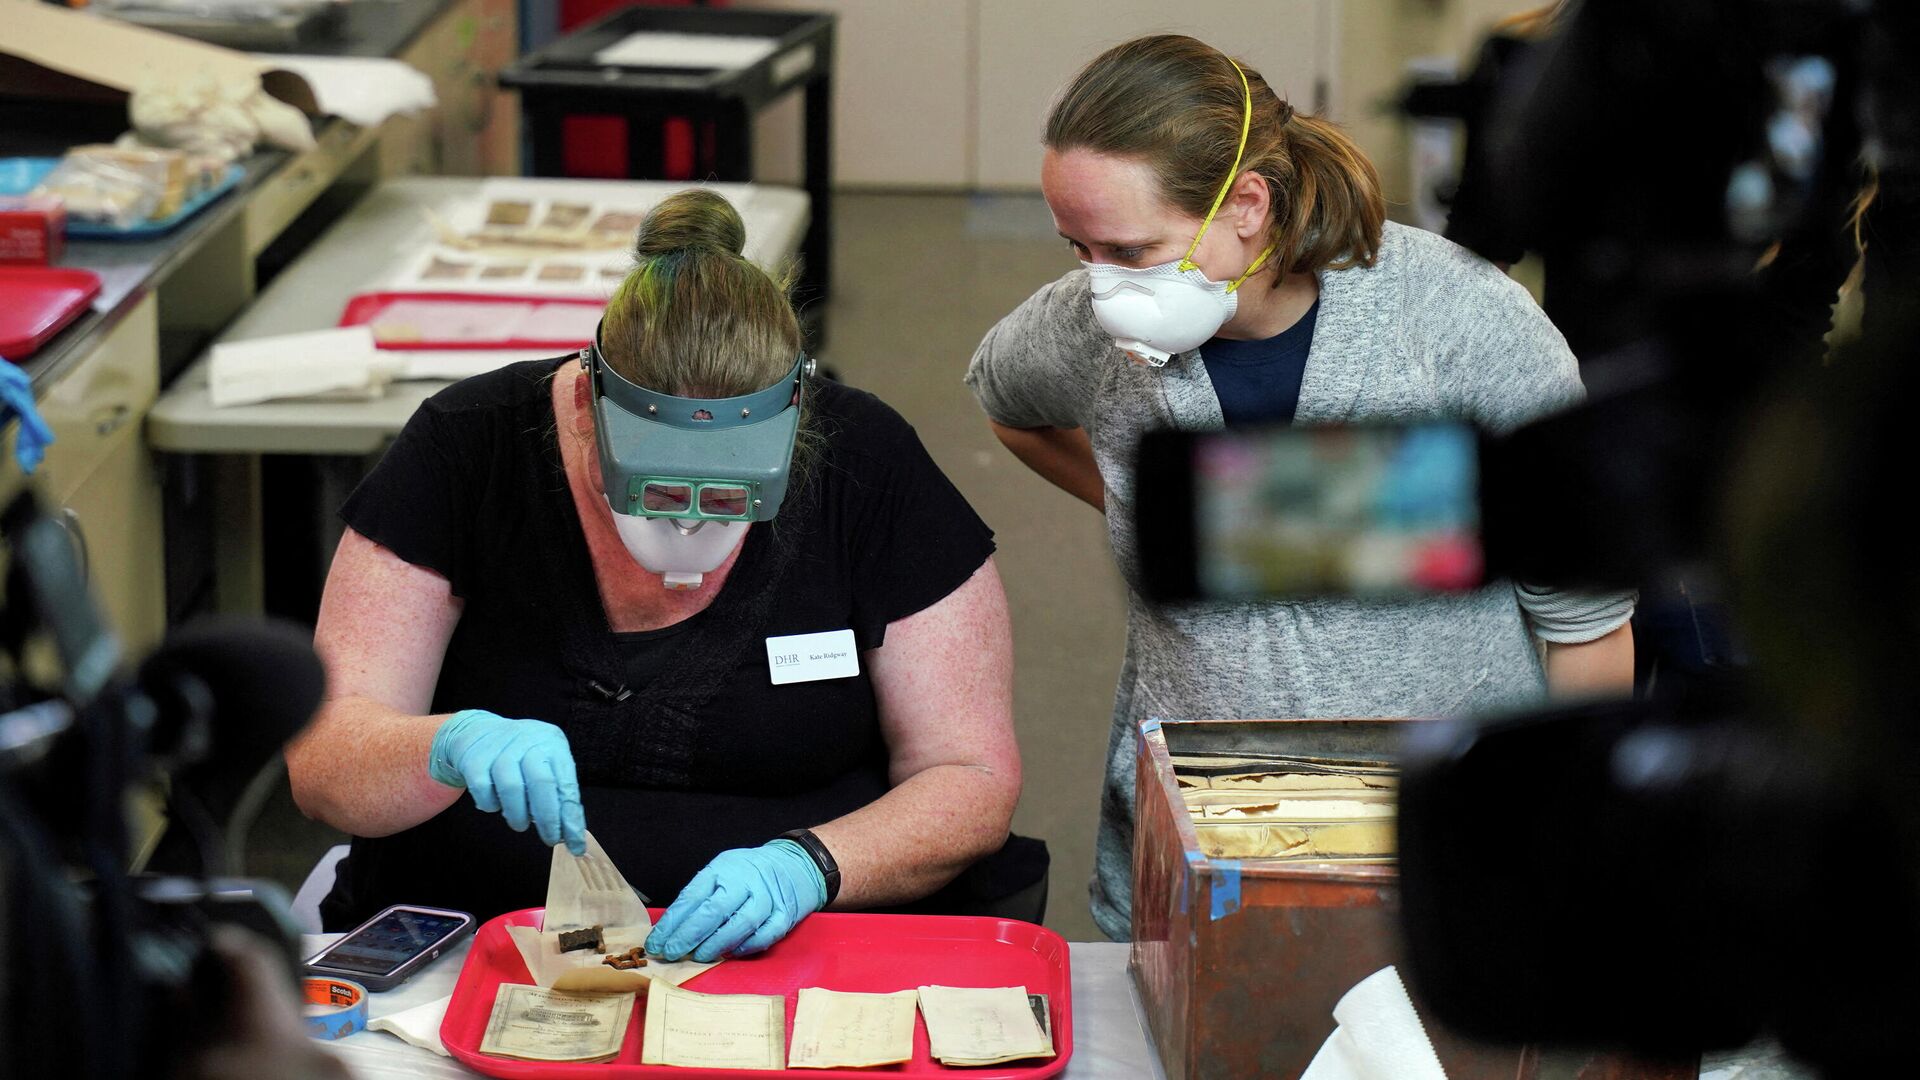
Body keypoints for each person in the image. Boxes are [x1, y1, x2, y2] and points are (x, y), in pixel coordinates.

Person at [965, 34, 1637, 941]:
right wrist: (1158, 507)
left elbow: (1587, 626)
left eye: (1131, 248)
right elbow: (1009, 403)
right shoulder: (1089, 327)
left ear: (1246, 204)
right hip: (1203, 856)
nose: (1104, 285)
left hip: (1440, 856)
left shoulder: (1456, 321)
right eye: (1079, 248)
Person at [287, 189, 1034, 962]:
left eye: (733, 497)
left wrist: (809, 866)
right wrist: (444, 746)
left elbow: (969, 774)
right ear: (585, 404)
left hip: (793, 949)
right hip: (476, 941)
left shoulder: (866, 465)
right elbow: (323, 765)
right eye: (660, 490)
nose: (690, 525)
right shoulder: (466, 450)